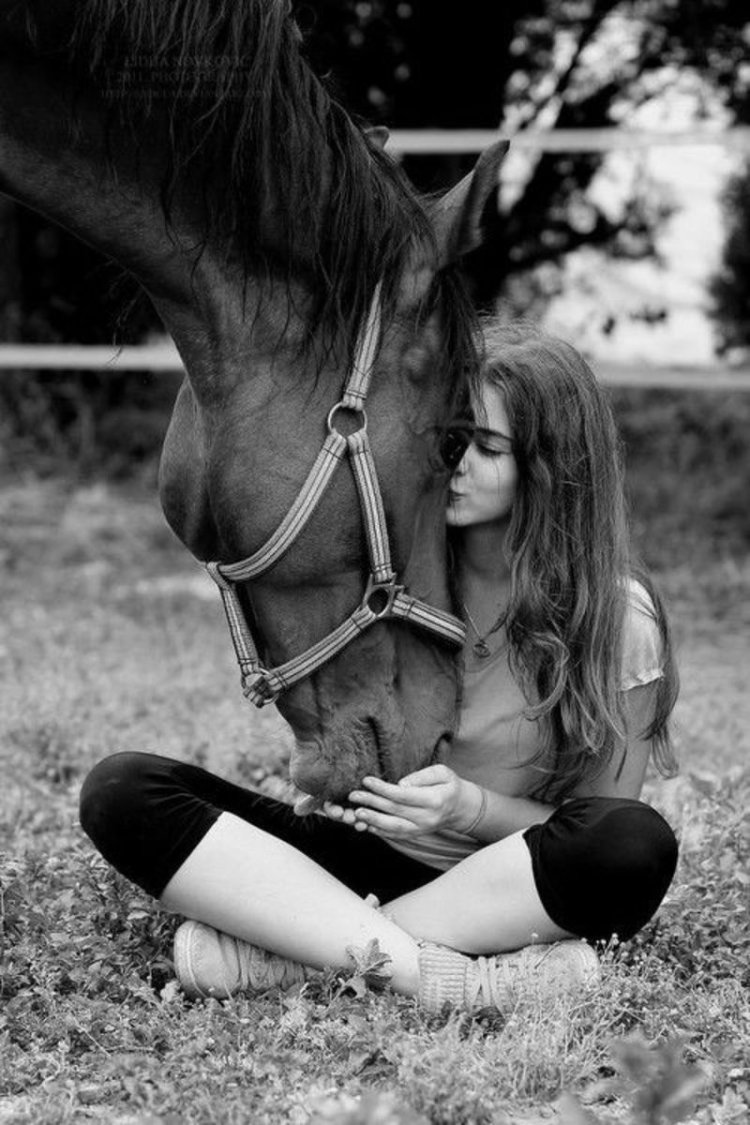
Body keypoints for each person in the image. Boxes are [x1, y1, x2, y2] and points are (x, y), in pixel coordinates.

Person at [79, 323, 679, 1013]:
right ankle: (441, 975)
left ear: (551, 466)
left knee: (631, 844)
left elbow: (595, 819)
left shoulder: (618, 619)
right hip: (355, 855)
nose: (453, 463)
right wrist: (340, 766)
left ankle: (294, 955)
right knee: (123, 789)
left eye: (484, 448)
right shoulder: (392, 572)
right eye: (447, 438)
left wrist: (467, 806)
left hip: (497, 883)